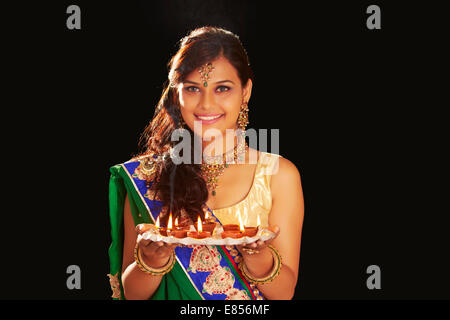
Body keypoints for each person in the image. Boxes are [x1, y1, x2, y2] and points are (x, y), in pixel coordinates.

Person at [108, 26, 304, 300]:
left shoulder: (278, 174)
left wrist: (258, 258)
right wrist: (151, 262)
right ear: (177, 94)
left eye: (222, 88)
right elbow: (132, 294)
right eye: (192, 88)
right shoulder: (150, 175)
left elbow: (284, 293)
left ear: (245, 91)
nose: (207, 104)